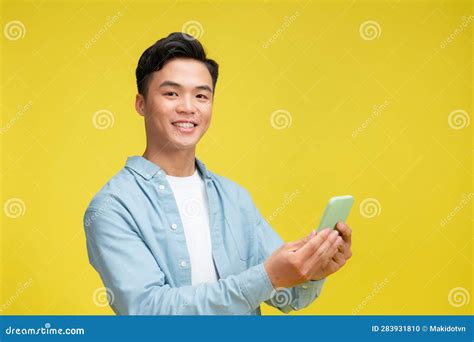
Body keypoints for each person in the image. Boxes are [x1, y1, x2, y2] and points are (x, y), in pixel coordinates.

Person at [83, 32, 353, 315]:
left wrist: (314, 269)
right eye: (171, 93)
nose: (188, 107)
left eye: (201, 95)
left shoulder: (234, 197)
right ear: (141, 104)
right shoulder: (112, 207)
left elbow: (288, 297)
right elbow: (149, 311)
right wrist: (267, 277)